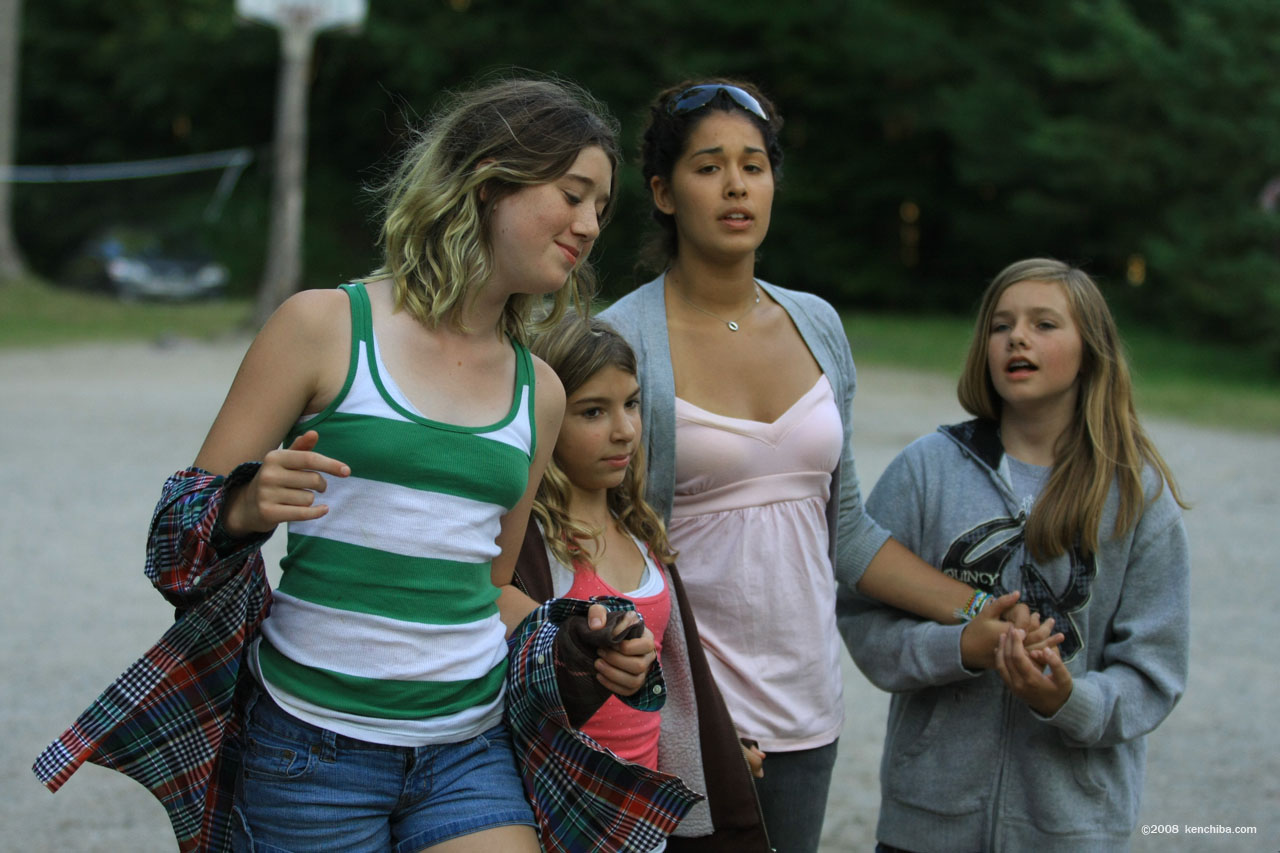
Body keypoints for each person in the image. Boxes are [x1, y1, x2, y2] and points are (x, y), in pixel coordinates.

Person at [34, 77, 620, 853]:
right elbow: (174, 536)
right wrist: (244, 506)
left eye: (601, 207)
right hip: (310, 750)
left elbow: (488, 587)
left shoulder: (539, 391)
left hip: (468, 747)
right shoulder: (323, 326)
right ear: (488, 181)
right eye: (573, 195)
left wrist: (581, 631)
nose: (589, 224)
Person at [599, 79, 1050, 852]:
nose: (736, 185)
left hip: (805, 709)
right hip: (679, 709)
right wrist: (676, 712)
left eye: (754, 165)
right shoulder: (619, 339)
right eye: (708, 167)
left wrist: (978, 608)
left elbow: (844, 531)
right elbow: (596, 541)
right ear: (664, 193)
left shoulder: (817, 324)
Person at [841, 258, 1191, 852]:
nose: (1017, 338)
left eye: (1043, 324)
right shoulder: (927, 469)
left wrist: (1069, 702)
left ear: (1092, 351)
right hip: (927, 825)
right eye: (1001, 326)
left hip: (1073, 831)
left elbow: (1153, 672)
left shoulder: (1137, 495)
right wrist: (959, 648)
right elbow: (862, 615)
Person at [507, 314, 770, 852]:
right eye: (593, 411)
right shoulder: (527, 544)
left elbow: (681, 675)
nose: (624, 429)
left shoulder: (641, 533)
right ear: (545, 415)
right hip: (562, 811)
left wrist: (717, 747)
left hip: (645, 818)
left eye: (630, 403)